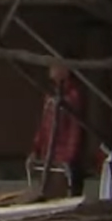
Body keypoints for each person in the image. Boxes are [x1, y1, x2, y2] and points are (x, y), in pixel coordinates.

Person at [29, 63, 86, 197]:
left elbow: (74, 130)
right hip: (48, 156)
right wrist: (36, 149)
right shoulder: (50, 95)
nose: (51, 69)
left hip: (63, 158)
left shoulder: (73, 96)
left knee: (62, 193)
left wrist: (68, 158)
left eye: (55, 65)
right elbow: (44, 125)